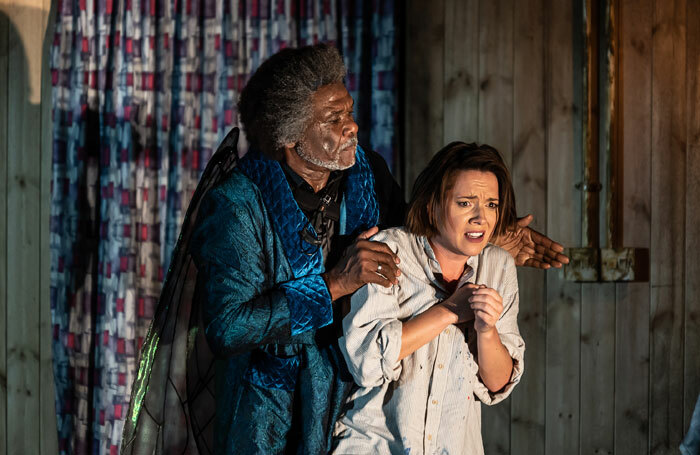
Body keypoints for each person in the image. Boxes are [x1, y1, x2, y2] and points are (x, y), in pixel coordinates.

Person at [121, 44, 568, 455]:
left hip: (347, 399)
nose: (351, 125)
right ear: (290, 138)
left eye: (349, 112)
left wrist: (485, 237)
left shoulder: (367, 172)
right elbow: (228, 328)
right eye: (333, 121)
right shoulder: (237, 205)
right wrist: (334, 284)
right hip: (270, 411)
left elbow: (419, 230)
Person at [332, 142, 524, 455]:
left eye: (491, 205)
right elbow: (365, 364)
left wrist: (486, 331)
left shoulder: (498, 266)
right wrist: (449, 310)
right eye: (465, 203)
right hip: (375, 446)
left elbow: (498, 383)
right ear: (430, 207)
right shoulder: (388, 250)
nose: (481, 218)